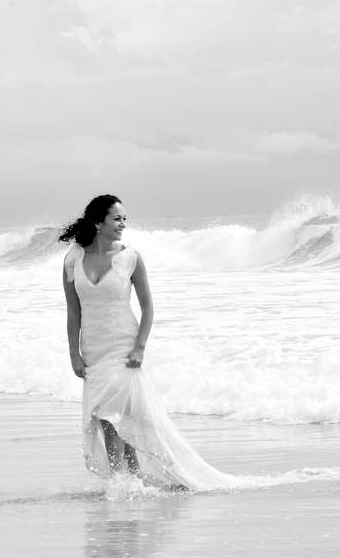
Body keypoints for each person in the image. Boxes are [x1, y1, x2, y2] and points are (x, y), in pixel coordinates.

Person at [59, 194, 238, 491]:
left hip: (123, 347)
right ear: (98, 222)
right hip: (93, 350)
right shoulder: (73, 260)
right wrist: (73, 354)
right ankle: (134, 481)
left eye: (124, 219)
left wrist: (140, 346)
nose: (123, 224)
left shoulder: (130, 257)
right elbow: (73, 311)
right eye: (117, 219)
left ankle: (120, 483)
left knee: (114, 414)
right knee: (109, 417)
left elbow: (148, 307)